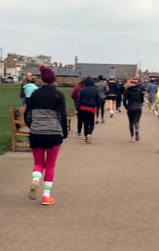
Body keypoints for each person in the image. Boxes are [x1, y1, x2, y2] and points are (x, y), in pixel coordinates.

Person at [24, 65, 69, 205]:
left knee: (38, 163)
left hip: (36, 133)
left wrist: (31, 126)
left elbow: (27, 114)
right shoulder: (59, 95)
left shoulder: (35, 94)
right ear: (54, 79)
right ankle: (46, 196)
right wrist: (64, 132)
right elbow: (63, 116)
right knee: (50, 165)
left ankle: (35, 180)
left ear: (42, 79)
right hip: (53, 134)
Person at [75, 76, 103, 144]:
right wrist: (98, 105)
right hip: (92, 108)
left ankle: (86, 134)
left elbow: (79, 99)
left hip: (83, 107)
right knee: (91, 122)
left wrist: (77, 107)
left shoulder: (82, 89)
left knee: (86, 123)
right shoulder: (95, 90)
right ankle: (89, 133)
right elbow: (98, 99)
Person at [122, 76, 145, 142]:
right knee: (136, 121)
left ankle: (132, 137)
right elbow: (142, 99)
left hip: (130, 107)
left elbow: (124, 100)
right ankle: (137, 131)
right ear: (137, 83)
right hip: (138, 107)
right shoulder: (139, 90)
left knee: (131, 122)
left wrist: (126, 106)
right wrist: (141, 103)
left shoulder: (127, 90)